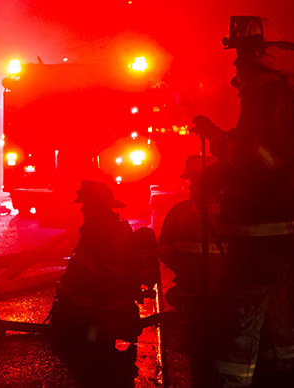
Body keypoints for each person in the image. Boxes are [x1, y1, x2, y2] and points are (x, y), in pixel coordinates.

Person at [192, 16, 294, 387]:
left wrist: (220, 147)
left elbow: (263, 160)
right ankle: (279, 374)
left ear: (260, 55)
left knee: (237, 316)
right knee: (276, 316)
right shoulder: (272, 94)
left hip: (259, 230)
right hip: (272, 229)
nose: (235, 64)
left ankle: (227, 381)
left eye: (240, 55)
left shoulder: (266, 95)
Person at [48, 180, 156, 348]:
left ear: (96, 207)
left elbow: (75, 277)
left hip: (98, 307)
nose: (82, 209)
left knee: (59, 336)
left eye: (85, 205)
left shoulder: (94, 233)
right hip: (122, 304)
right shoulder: (122, 228)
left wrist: (61, 294)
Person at [158, 155, 225, 314]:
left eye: (193, 182)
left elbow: (165, 252)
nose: (189, 187)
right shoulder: (236, 211)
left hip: (189, 291)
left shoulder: (178, 212)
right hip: (228, 291)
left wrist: (187, 273)